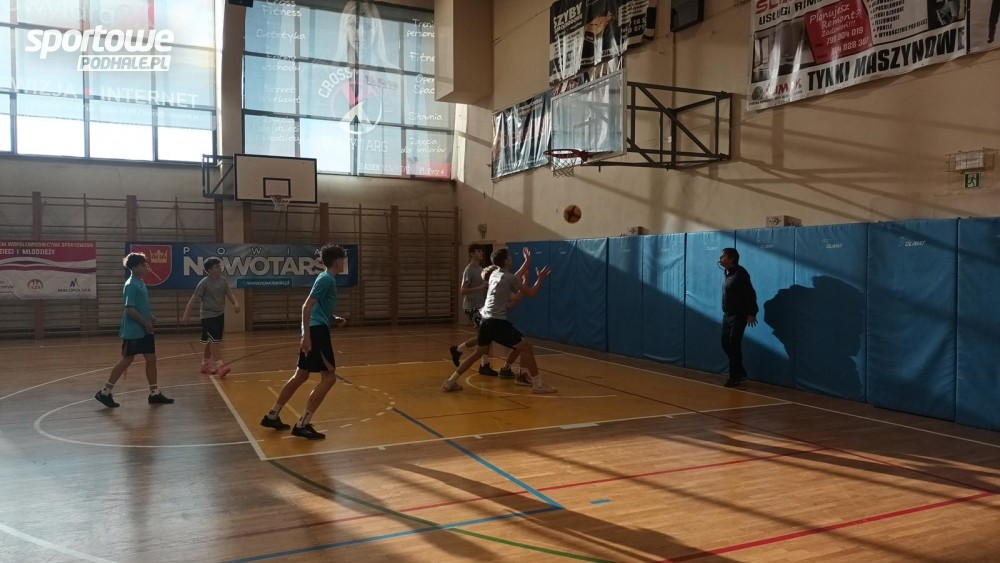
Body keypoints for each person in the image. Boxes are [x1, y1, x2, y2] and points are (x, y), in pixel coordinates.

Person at [260, 244, 348, 440]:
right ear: (337, 261)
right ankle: (303, 424)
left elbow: (317, 308)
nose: (344, 263)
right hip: (316, 333)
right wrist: (306, 336)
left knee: (301, 375)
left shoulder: (325, 278)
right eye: (343, 260)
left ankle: (272, 415)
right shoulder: (326, 279)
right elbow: (306, 307)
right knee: (329, 377)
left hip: (316, 328)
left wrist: (333, 318)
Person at [441, 247, 556, 394]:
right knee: (526, 347)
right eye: (509, 256)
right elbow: (531, 292)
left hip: (485, 320)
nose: (511, 258)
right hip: (497, 322)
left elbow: (514, 279)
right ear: (506, 261)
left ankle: (450, 382)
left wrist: (527, 262)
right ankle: (538, 384)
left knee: (477, 353)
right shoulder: (509, 278)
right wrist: (540, 278)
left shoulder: (495, 274)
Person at [94, 252, 174, 408]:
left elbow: (139, 305)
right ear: (135, 267)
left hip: (144, 329)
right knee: (127, 359)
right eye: (143, 265)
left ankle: (154, 393)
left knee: (151, 358)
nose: (146, 267)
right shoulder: (130, 284)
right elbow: (130, 309)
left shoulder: (140, 282)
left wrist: (149, 316)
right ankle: (104, 392)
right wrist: (145, 323)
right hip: (134, 330)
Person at [181, 257, 240, 377]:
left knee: (210, 340)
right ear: (210, 270)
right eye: (217, 267)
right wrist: (186, 314)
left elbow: (230, 293)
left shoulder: (223, 281)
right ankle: (220, 365)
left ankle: (204, 365)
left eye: (219, 266)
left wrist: (236, 303)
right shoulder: (204, 282)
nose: (220, 268)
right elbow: (193, 299)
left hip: (219, 314)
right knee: (214, 341)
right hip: (208, 315)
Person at [449, 244, 501, 376]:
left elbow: (483, 287)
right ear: (471, 254)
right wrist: (480, 287)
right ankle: (482, 364)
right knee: (485, 336)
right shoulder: (469, 270)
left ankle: (460, 351)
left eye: (481, 251)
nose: (481, 253)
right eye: (478, 251)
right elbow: (463, 290)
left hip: (481, 306)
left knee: (485, 336)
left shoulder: (480, 269)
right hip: (472, 307)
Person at [719, 247, 758, 388]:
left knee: (734, 344)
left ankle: (734, 377)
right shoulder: (725, 273)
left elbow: (750, 293)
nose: (720, 258)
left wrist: (752, 313)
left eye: (723, 256)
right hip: (727, 315)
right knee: (725, 343)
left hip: (739, 315)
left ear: (732, 259)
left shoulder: (741, 273)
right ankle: (740, 371)